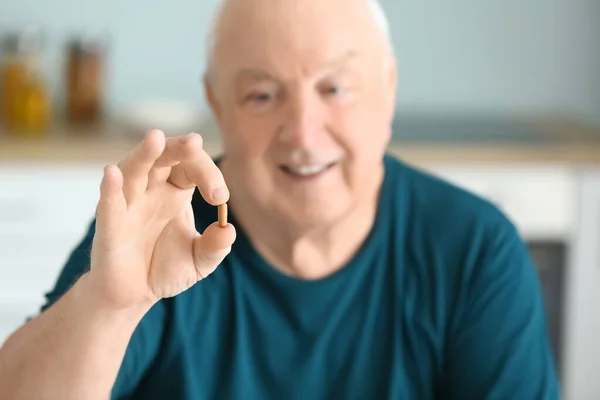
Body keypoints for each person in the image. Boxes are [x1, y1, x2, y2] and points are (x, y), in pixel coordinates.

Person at [0, 0, 560, 398]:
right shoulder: (158, 232)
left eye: (335, 89)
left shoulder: (475, 249)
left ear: (387, 92)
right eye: (262, 95)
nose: (303, 133)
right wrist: (108, 306)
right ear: (218, 107)